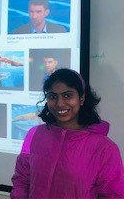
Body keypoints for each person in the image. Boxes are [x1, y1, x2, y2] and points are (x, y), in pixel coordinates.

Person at [11, 68, 124, 198]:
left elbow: (113, 195)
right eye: (53, 96)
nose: (59, 103)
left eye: (67, 95)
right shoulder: (34, 134)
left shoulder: (105, 148)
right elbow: (21, 180)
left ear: (81, 98)